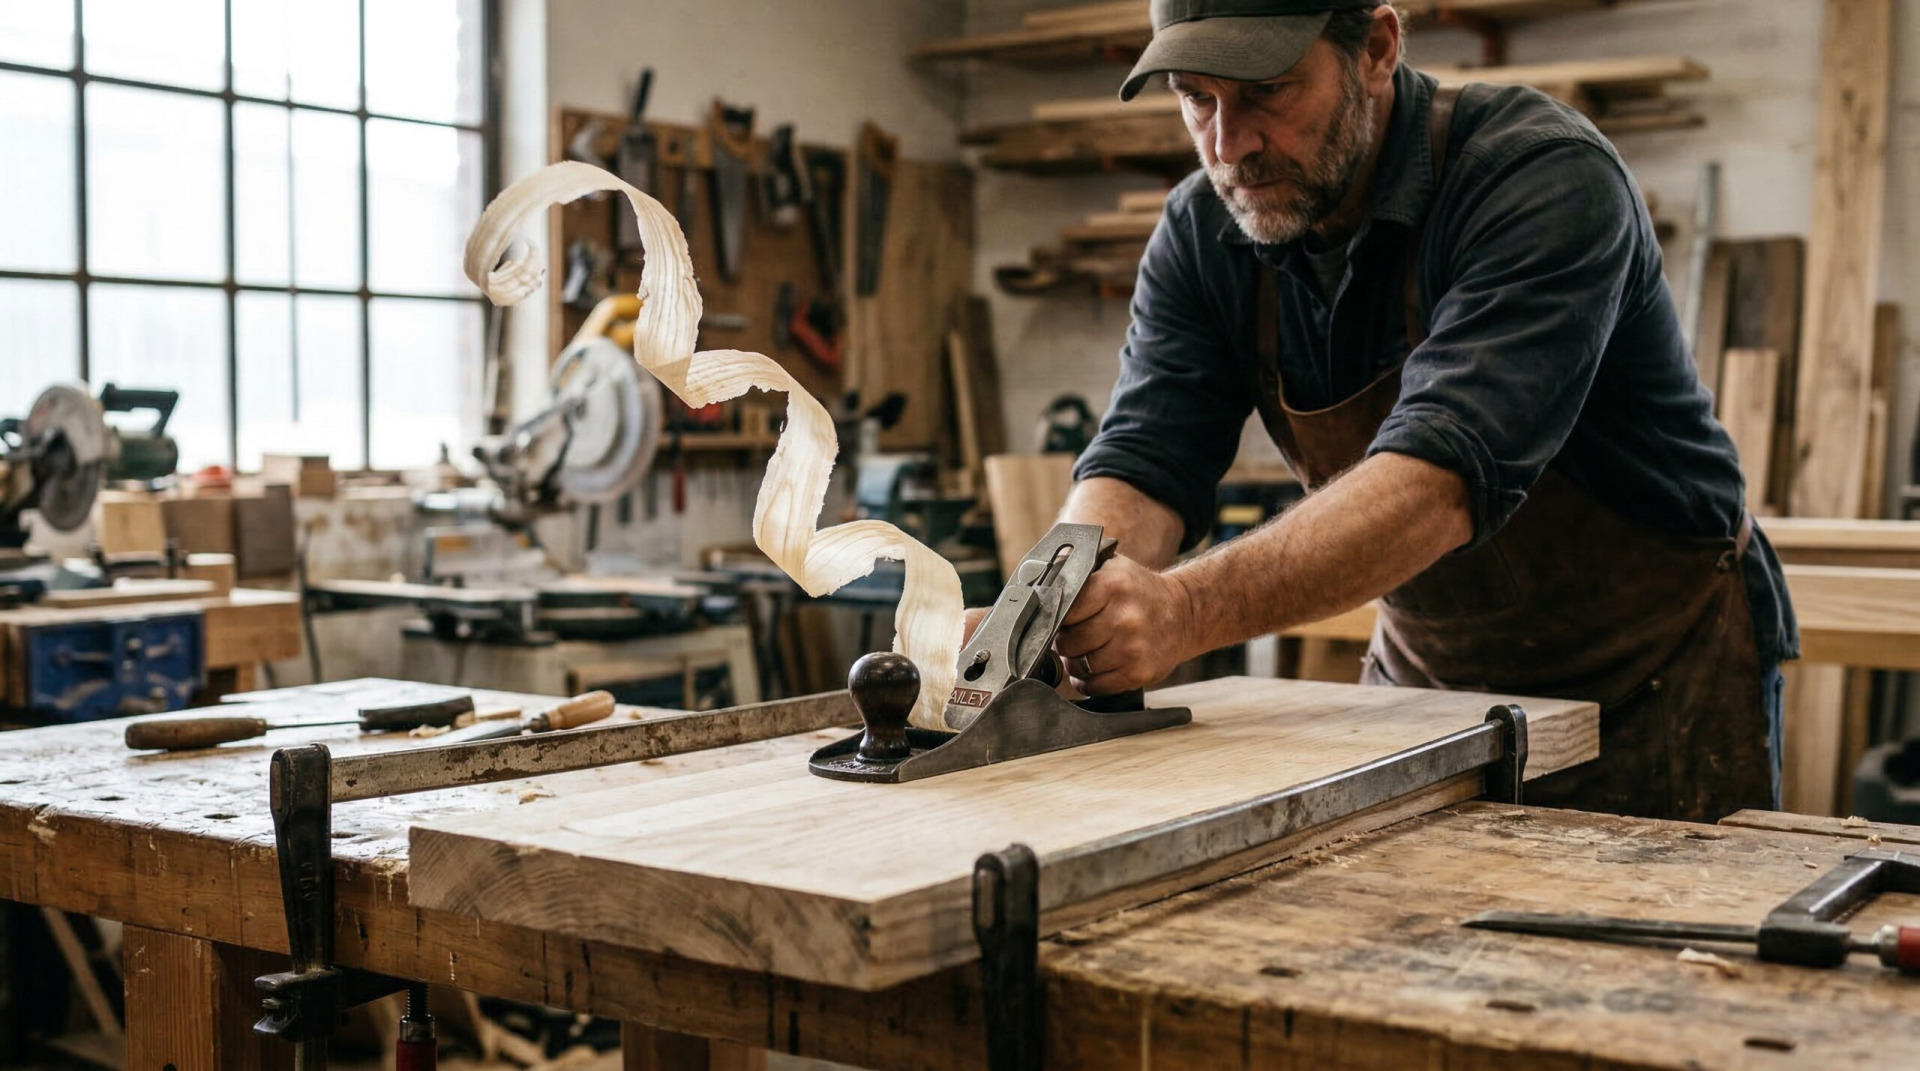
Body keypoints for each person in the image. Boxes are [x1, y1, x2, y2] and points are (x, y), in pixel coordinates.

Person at [1031, 0, 1795, 822]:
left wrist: (1183, 610)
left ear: (1377, 49)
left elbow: (1440, 478)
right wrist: (1042, 609)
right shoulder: (1200, 231)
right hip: (1425, 690)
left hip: (1648, 682)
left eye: (1269, 91)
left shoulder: (1541, 175)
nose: (1229, 146)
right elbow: (1145, 457)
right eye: (1197, 98)